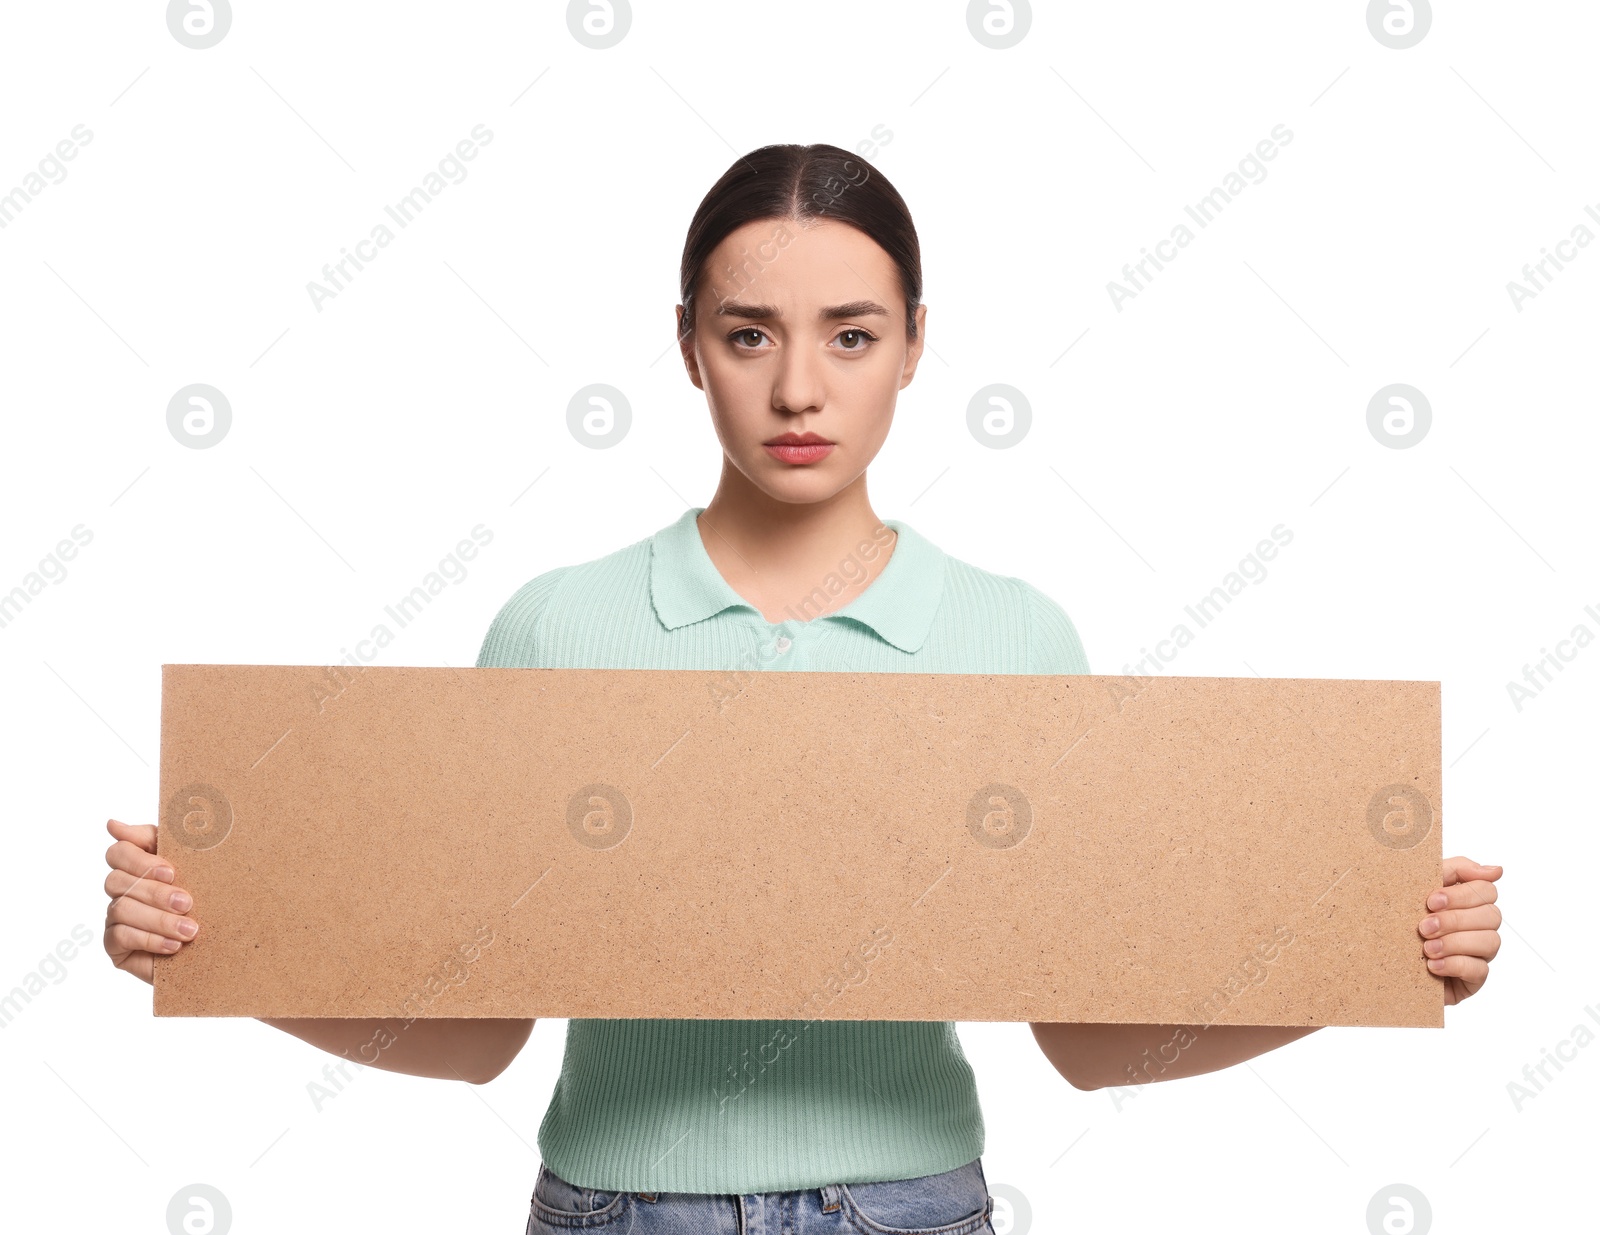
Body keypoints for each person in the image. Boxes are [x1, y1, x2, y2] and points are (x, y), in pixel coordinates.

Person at [102, 143, 1503, 1233]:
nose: (797, 391)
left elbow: (1088, 1033)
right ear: (689, 345)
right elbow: (476, 1027)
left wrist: (1368, 960)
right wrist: (219, 946)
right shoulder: (562, 625)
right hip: (613, 1209)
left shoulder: (1012, 636)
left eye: (849, 334)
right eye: (749, 334)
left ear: (911, 346)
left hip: (907, 1209)